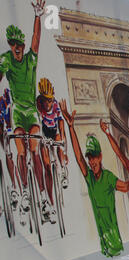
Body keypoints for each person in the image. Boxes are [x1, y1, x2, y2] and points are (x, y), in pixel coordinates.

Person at [60, 99, 129, 257]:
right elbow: (79, 158)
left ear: (100, 157)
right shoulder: (90, 178)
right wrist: (71, 127)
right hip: (103, 242)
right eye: (90, 158)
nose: (91, 161)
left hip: (114, 238)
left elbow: (126, 187)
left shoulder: (107, 177)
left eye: (94, 157)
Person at [0, 0, 51, 219]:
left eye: (19, 44)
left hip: (31, 111)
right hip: (17, 112)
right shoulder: (6, 60)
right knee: (20, 151)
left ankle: (44, 197)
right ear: (10, 46)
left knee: (35, 150)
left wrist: (38, 16)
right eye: (13, 44)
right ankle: (24, 195)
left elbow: (36, 41)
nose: (17, 48)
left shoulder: (30, 59)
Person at [36, 78, 69, 208]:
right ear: (42, 99)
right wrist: (41, 139)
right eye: (46, 100)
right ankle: (50, 201)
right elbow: (38, 123)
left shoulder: (55, 104)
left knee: (58, 140)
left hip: (54, 130)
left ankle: (62, 169)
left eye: (51, 100)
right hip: (43, 131)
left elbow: (61, 124)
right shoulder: (38, 105)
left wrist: (63, 142)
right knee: (47, 166)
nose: (49, 103)